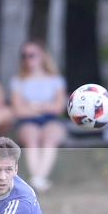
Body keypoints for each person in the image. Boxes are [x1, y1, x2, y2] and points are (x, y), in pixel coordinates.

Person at [10, 40, 67, 192]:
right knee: (31, 138)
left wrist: (34, 106)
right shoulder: (18, 81)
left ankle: (37, 179)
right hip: (27, 122)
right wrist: (45, 107)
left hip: (51, 121)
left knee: (50, 138)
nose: (28, 59)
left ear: (42, 56)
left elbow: (59, 108)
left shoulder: (56, 80)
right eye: (24, 56)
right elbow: (18, 111)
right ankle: (39, 181)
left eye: (32, 55)